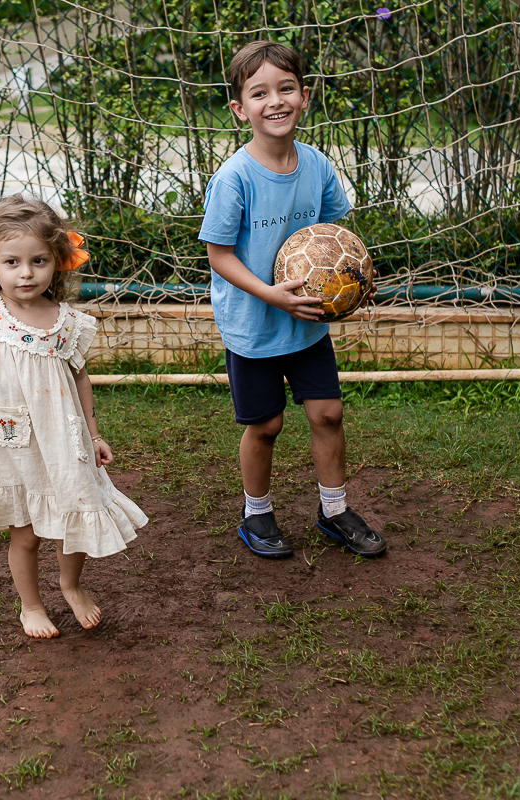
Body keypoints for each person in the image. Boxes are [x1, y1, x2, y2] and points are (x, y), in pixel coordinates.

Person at [0, 194, 148, 638]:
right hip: (8, 439)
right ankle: (31, 606)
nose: (25, 272)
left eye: (38, 260)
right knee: (26, 532)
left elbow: (80, 380)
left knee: (74, 513)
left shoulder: (67, 321)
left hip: (62, 437)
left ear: (56, 262)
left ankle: (71, 585)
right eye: (12, 261)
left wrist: (94, 434)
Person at [198, 41, 387, 560]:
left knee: (328, 413)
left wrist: (349, 281)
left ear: (304, 97)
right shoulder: (234, 179)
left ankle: (334, 510)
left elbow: (330, 236)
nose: (274, 101)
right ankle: (256, 514)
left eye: (285, 89)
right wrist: (270, 295)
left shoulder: (318, 166)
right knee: (266, 424)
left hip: (306, 323)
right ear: (240, 109)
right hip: (254, 325)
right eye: (259, 93)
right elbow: (218, 256)